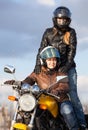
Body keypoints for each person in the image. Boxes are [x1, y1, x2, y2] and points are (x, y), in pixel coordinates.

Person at [33, 6, 86, 130]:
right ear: (55, 19)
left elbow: (72, 52)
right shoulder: (48, 32)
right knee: (40, 94)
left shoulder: (71, 32)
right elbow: (41, 49)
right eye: (59, 19)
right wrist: (37, 65)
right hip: (52, 67)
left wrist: (66, 67)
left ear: (68, 20)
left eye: (64, 20)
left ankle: (82, 124)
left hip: (68, 68)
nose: (61, 22)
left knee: (72, 95)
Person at [4, 46, 79, 130]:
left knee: (67, 111)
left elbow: (64, 85)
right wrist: (17, 83)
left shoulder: (61, 71)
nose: (52, 62)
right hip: (41, 99)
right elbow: (29, 80)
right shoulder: (38, 72)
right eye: (49, 60)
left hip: (60, 99)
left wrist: (57, 91)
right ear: (44, 60)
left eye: (54, 59)